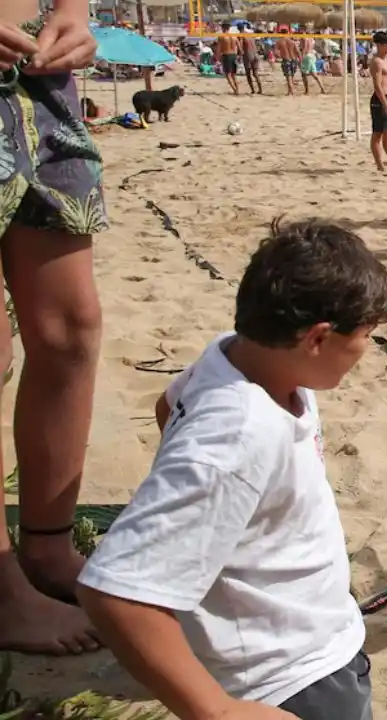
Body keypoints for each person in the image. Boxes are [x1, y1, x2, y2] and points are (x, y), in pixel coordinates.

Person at [78, 219, 387, 720]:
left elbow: (169, 407)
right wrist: (218, 711)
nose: (367, 350)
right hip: (289, 677)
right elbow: (115, 591)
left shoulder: (237, 353)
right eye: (367, 336)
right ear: (317, 338)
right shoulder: (236, 437)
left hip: (303, 629)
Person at [0, 0, 109, 656]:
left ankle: (46, 547)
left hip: (39, 86)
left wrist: (72, 13)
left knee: (70, 330)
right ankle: (1, 589)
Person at [368, 31, 387, 172]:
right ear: (379, 45)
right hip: (379, 99)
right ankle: (380, 164)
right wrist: (386, 105)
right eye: (386, 44)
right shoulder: (376, 62)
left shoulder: (385, 60)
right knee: (378, 134)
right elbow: (377, 86)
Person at [215, 23, 240, 95]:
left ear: (223, 28)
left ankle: (235, 90)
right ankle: (237, 89)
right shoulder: (234, 36)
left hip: (226, 55)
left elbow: (218, 48)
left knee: (227, 74)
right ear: (229, 28)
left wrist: (217, 57)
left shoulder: (221, 36)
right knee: (233, 74)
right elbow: (239, 47)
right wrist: (239, 55)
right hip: (234, 55)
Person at [277, 29, 300, 96]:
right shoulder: (292, 41)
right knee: (291, 76)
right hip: (294, 60)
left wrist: (281, 55)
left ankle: (292, 92)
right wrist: (300, 60)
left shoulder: (279, 42)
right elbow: (297, 51)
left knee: (288, 77)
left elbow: (276, 52)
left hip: (286, 60)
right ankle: (289, 91)